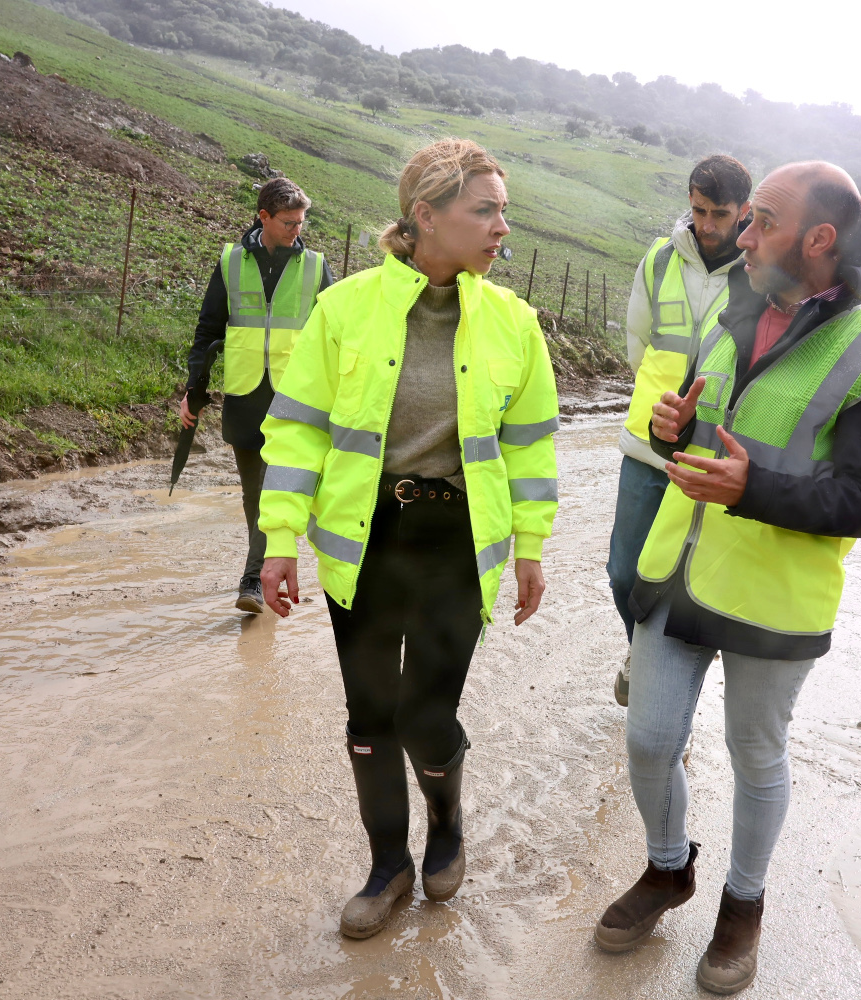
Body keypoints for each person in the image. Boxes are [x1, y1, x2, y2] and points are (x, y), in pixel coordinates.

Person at [593, 162, 861, 994]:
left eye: (760, 221)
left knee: (754, 754)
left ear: (818, 240)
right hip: (677, 572)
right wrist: (672, 432)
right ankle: (669, 869)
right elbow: (697, 436)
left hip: (771, 600)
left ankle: (743, 905)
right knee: (649, 740)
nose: (741, 235)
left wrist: (755, 490)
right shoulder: (730, 313)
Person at [257, 139, 559, 939]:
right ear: (426, 215)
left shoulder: (514, 323)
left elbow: (530, 448)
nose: (503, 227)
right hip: (365, 537)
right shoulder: (344, 309)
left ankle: (447, 825)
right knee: (368, 715)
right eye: (484, 209)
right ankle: (387, 865)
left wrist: (530, 548)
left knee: (426, 714)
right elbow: (295, 435)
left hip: (458, 539)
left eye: (504, 209)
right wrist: (281, 539)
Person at [607, 155, 752, 707]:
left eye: (720, 213)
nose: (708, 224)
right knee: (624, 572)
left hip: (710, 453)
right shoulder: (660, 257)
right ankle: (638, 654)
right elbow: (637, 342)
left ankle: (663, 696)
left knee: (689, 582)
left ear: (743, 211)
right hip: (648, 445)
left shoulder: (756, 269)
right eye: (699, 210)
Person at [181, 177, 334, 613]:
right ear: (263, 216)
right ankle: (268, 567)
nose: (296, 230)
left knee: (277, 489)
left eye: (301, 222)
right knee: (255, 494)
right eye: (288, 222)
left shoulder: (315, 266)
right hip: (245, 396)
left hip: (296, 398)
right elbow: (208, 330)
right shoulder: (231, 261)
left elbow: (334, 337)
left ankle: (252, 580)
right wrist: (194, 389)